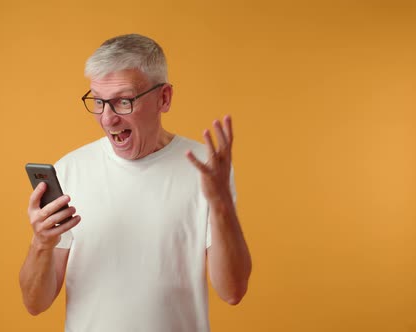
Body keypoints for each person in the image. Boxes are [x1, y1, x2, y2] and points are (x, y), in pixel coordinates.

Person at [19, 33, 252, 331]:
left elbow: (232, 291)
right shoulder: (70, 170)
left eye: (123, 101)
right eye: (99, 102)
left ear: (163, 98)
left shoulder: (207, 169)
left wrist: (221, 205)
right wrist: (41, 243)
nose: (107, 118)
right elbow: (34, 303)